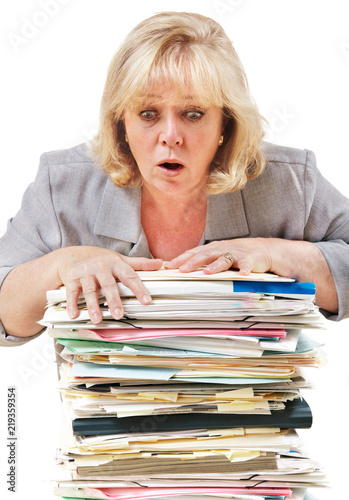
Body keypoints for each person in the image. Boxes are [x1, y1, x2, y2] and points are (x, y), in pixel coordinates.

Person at [0, 11, 348, 347]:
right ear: (121, 121)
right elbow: (4, 311)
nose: (170, 135)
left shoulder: (291, 179)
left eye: (193, 114)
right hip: (107, 402)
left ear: (225, 123)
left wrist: (273, 252)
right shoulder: (62, 184)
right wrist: (60, 265)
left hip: (258, 402)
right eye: (148, 113)